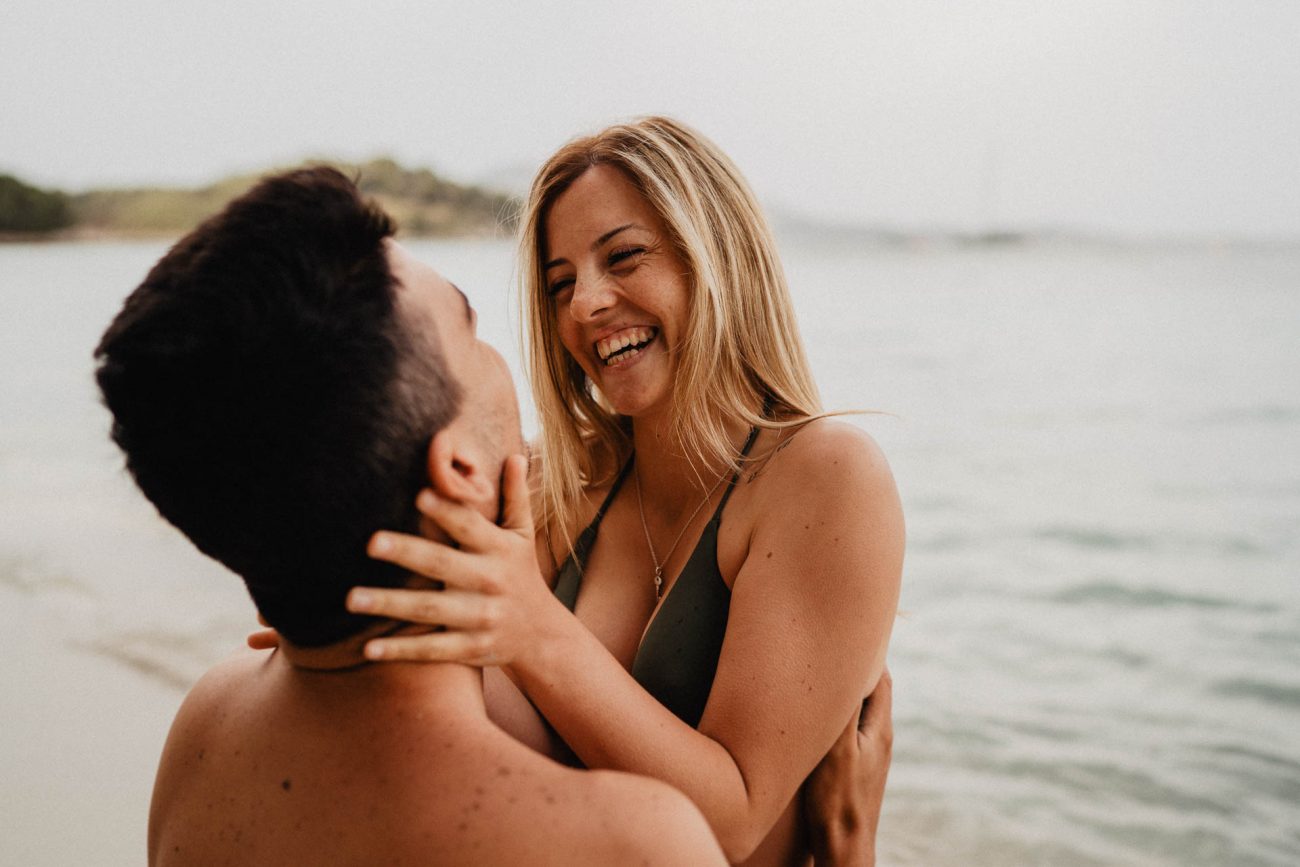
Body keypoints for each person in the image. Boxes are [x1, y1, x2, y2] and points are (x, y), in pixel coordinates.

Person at [94, 167, 729, 866]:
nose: (500, 354)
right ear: (456, 471)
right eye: (471, 327)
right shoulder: (628, 841)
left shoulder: (207, 734)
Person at [340, 116, 905, 866]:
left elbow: (730, 821)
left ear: (719, 256)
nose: (585, 305)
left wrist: (532, 626)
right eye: (562, 282)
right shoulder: (559, 482)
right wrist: (361, 634)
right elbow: (513, 735)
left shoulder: (826, 478)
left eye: (625, 257)